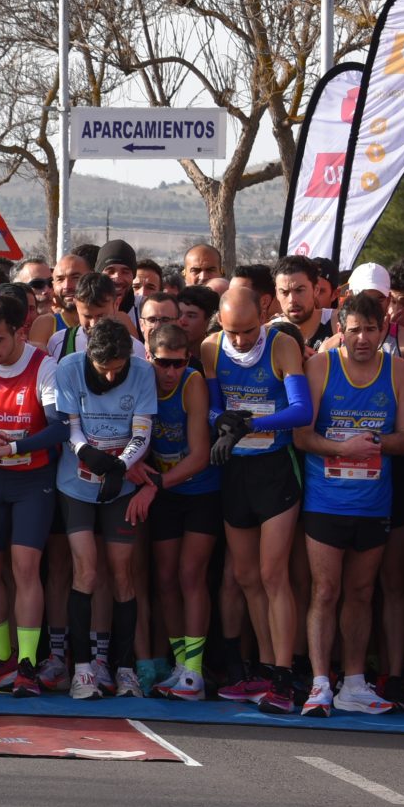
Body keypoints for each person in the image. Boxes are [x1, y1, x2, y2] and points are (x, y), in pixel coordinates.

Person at [295, 291, 404, 716]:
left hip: (373, 501)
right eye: (354, 329)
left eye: (371, 329)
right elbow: (301, 435)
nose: (363, 338)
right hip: (326, 499)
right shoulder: (321, 366)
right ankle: (321, 682)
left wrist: (373, 443)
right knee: (325, 590)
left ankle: (355, 683)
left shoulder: (398, 371)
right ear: (340, 330)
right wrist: (342, 445)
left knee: (361, 592)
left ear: (383, 330)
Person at [203, 281, 312, 713]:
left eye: (248, 331)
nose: (240, 340)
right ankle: (265, 669)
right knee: (246, 577)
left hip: (274, 471)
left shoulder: (282, 345)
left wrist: (252, 425)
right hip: (236, 471)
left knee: (273, 575)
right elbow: (211, 409)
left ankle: (284, 678)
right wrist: (223, 420)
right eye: (233, 332)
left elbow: (302, 412)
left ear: (262, 318)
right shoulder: (212, 347)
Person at [0, 293, 68, 696]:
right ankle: (0, 655)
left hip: (32, 480)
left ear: (20, 332)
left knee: (24, 568)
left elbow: (58, 428)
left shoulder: (46, 368)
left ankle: (26, 663)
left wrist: (14, 448)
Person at [51, 318, 156, 699]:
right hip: (77, 482)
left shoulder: (142, 370)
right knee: (86, 570)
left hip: (120, 483)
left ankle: (124, 668)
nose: (112, 379)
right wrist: (89, 454)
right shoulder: (69, 368)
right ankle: (82, 670)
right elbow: (71, 427)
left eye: (118, 370)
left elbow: (142, 431)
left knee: (122, 573)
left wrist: (122, 466)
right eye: (104, 371)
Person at [141, 324, 219, 701]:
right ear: (149, 356)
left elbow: (201, 456)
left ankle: (195, 671)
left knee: (191, 575)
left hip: (198, 490)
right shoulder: (141, 380)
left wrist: (155, 484)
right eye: (163, 363)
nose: (170, 371)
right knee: (166, 579)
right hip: (163, 489)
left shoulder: (192, 384)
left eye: (178, 363)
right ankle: (181, 665)